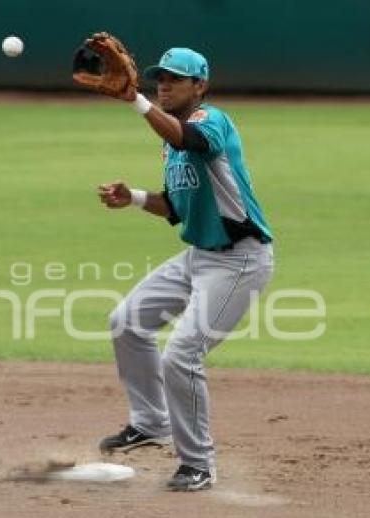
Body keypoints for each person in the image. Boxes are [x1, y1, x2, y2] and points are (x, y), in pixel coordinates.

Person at [95, 48, 274, 491]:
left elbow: (187, 139)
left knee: (181, 356)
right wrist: (134, 197)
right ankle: (150, 423)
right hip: (198, 257)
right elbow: (176, 207)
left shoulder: (213, 121)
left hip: (240, 260)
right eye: (161, 79)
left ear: (200, 86)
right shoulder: (169, 141)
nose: (165, 85)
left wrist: (136, 100)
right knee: (127, 322)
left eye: (176, 79)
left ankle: (198, 465)